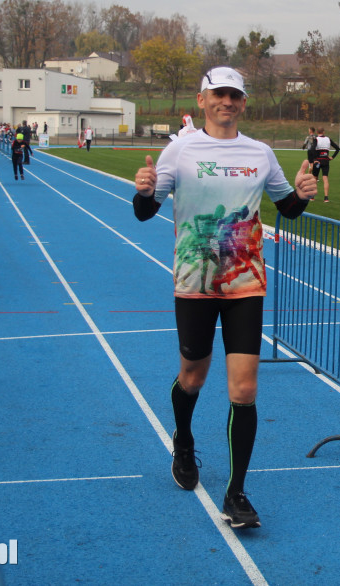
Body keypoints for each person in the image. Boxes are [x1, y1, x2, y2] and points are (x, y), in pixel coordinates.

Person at [132, 66, 315, 530]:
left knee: (244, 389)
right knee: (192, 375)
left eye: (235, 95)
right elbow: (144, 213)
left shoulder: (259, 152)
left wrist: (303, 195)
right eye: (219, 94)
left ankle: (236, 494)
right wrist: (146, 193)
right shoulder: (180, 150)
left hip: (245, 283)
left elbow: (287, 208)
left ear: (243, 103)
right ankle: (186, 439)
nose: (227, 102)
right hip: (194, 281)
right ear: (202, 99)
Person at [310, 127, 340, 202]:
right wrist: (332, 157)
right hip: (326, 161)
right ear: (323, 132)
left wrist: (315, 159)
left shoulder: (316, 139)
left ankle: (312, 196)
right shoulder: (328, 139)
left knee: (315, 178)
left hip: (318, 162)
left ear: (317, 132)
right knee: (325, 179)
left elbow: (312, 149)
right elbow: (338, 148)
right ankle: (326, 198)